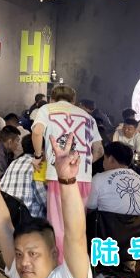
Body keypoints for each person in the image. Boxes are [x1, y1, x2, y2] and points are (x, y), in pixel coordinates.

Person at [0, 136, 92, 278]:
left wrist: (67, 181)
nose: (24, 262)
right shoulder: (19, 275)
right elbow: (2, 225)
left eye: (33, 254)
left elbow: (76, 236)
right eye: (19, 254)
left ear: (54, 254)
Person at [31, 85, 103, 263]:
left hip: (59, 175)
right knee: (77, 224)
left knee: (58, 223)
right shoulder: (88, 116)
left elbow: (37, 132)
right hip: (83, 177)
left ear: (52, 98)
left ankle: (60, 265)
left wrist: (38, 156)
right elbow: (99, 150)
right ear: (73, 100)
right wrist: (81, 163)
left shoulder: (47, 109)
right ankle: (77, 264)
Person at [87, 142, 140, 216]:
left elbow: (89, 207)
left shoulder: (98, 178)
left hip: (109, 223)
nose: (103, 163)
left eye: (104, 159)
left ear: (110, 159)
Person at [0, 134, 47, 219]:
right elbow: (46, 202)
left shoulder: (15, 162)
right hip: (27, 220)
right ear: (41, 150)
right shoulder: (38, 167)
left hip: (6, 214)